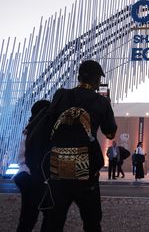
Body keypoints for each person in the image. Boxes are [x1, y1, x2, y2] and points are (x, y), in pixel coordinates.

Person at [41, 60, 117, 232]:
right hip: (85, 168)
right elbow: (110, 133)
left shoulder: (61, 95)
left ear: (78, 77)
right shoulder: (101, 102)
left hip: (58, 164)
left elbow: (49, 121)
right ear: (97, 80)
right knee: (91, 220)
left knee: (53, 219)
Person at [13, 100, 50, 232]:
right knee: (39, 215)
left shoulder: (31, 127)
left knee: (29, 217)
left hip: (25, 175)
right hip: (33, 177)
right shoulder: (40, 130)